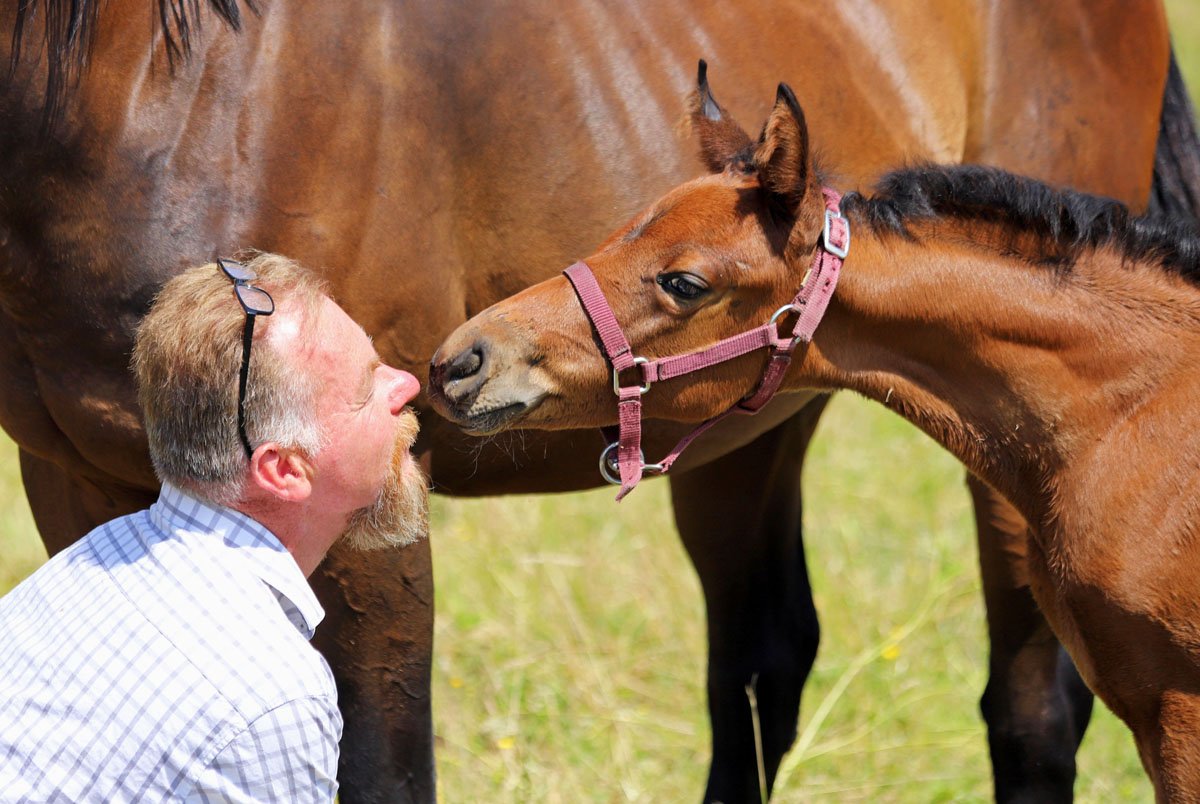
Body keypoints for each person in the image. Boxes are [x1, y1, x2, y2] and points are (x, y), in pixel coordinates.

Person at [0, 253, 428, 802]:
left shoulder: (86, 564)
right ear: (284, 470)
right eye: (367, 389)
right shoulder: (271, 701)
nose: (407, 384)